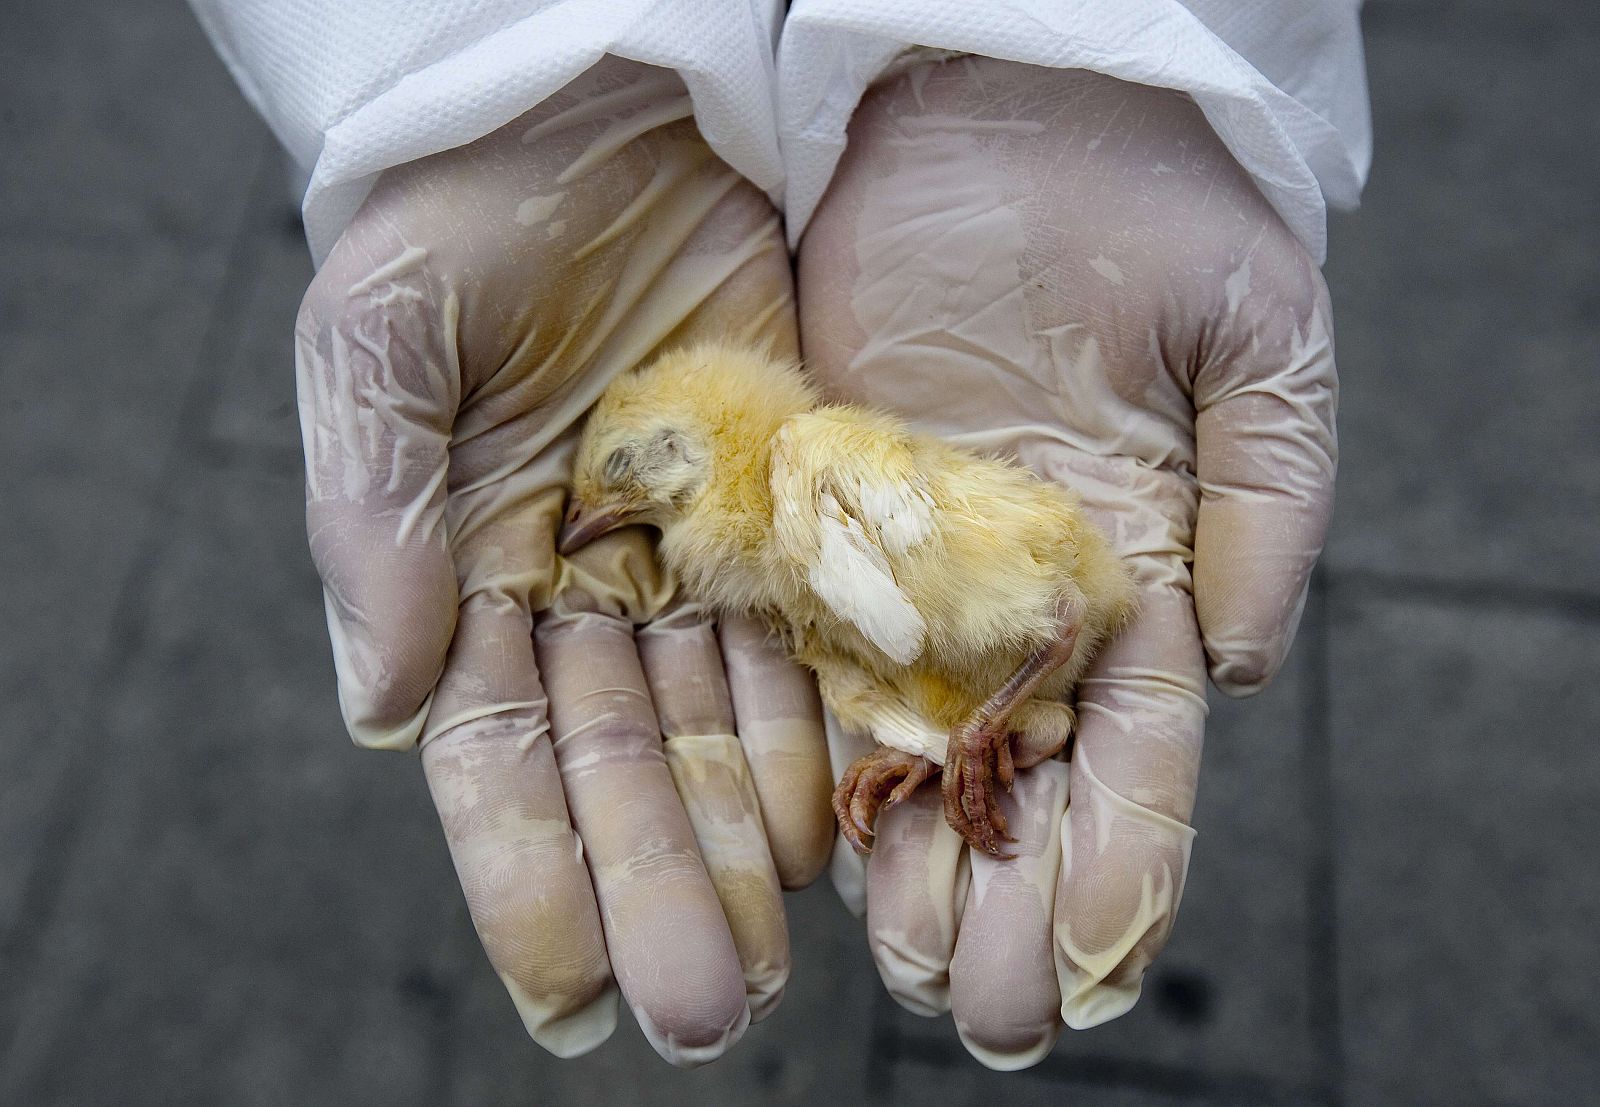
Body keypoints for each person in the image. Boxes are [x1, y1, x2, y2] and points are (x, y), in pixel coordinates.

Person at [189, 0, 1368, 1072]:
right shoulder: (768, 529)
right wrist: (504, 70)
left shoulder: (808, 468)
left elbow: (1031, 592)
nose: (597, 519)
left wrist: (1072, 43)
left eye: (616, 487)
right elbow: (919, 620)